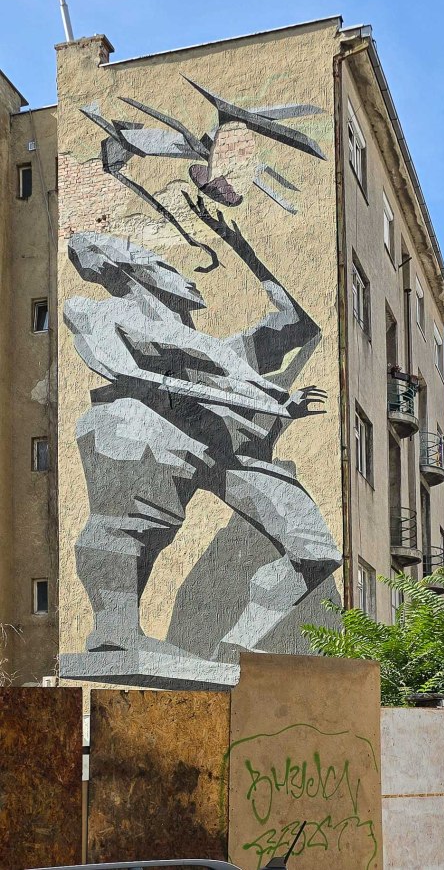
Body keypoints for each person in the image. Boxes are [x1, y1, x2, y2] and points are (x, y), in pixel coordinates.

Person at [64, 230, 341, 661]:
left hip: (221, 446)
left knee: (314, 549)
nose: (188, 278)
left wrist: (243, 247)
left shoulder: (224, 351)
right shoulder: (104, 312)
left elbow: (298, 325)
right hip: (147, 422)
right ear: (132, 271)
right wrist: (272, 402)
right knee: (132, 524)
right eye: (166, 266)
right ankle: (115, 632)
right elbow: (126, 372)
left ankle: (236, 647)